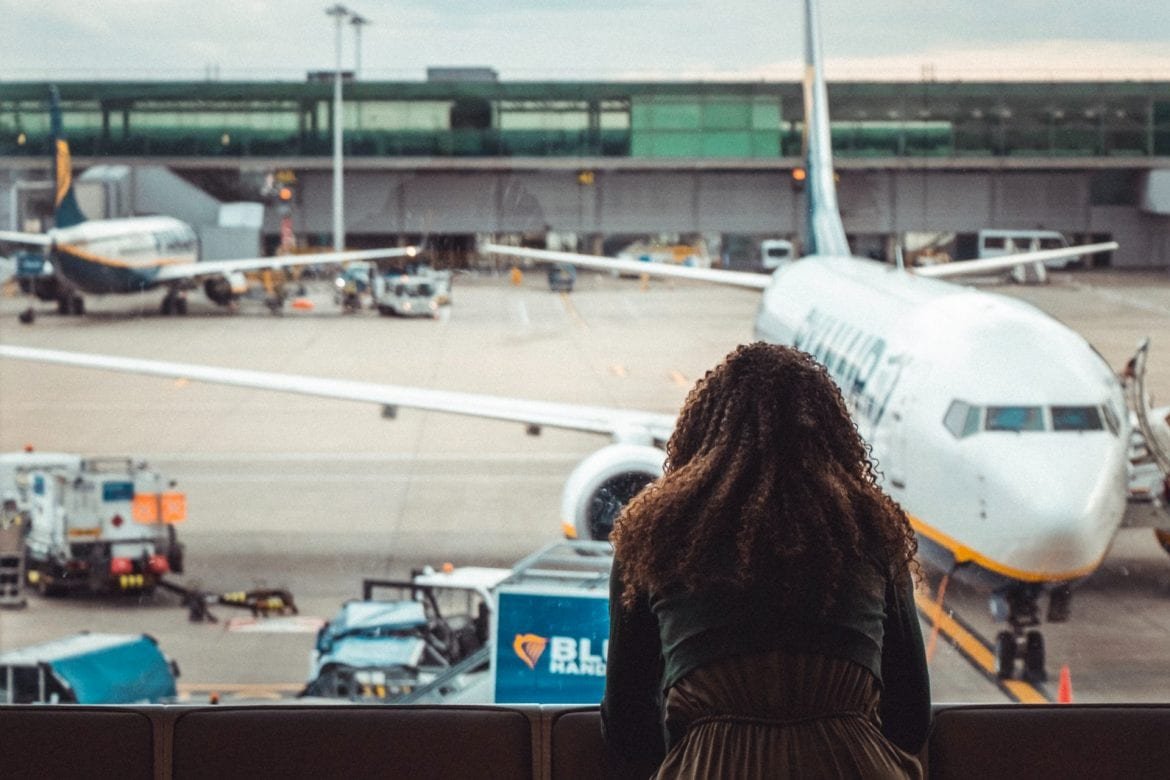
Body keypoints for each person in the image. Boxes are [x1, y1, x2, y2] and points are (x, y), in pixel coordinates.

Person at [600, 342, 930, 778]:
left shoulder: (654, 536)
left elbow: (627, 718)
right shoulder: (873, 529)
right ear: (831, 434)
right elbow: (910, 715)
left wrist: (690, 756)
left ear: (701, 432)